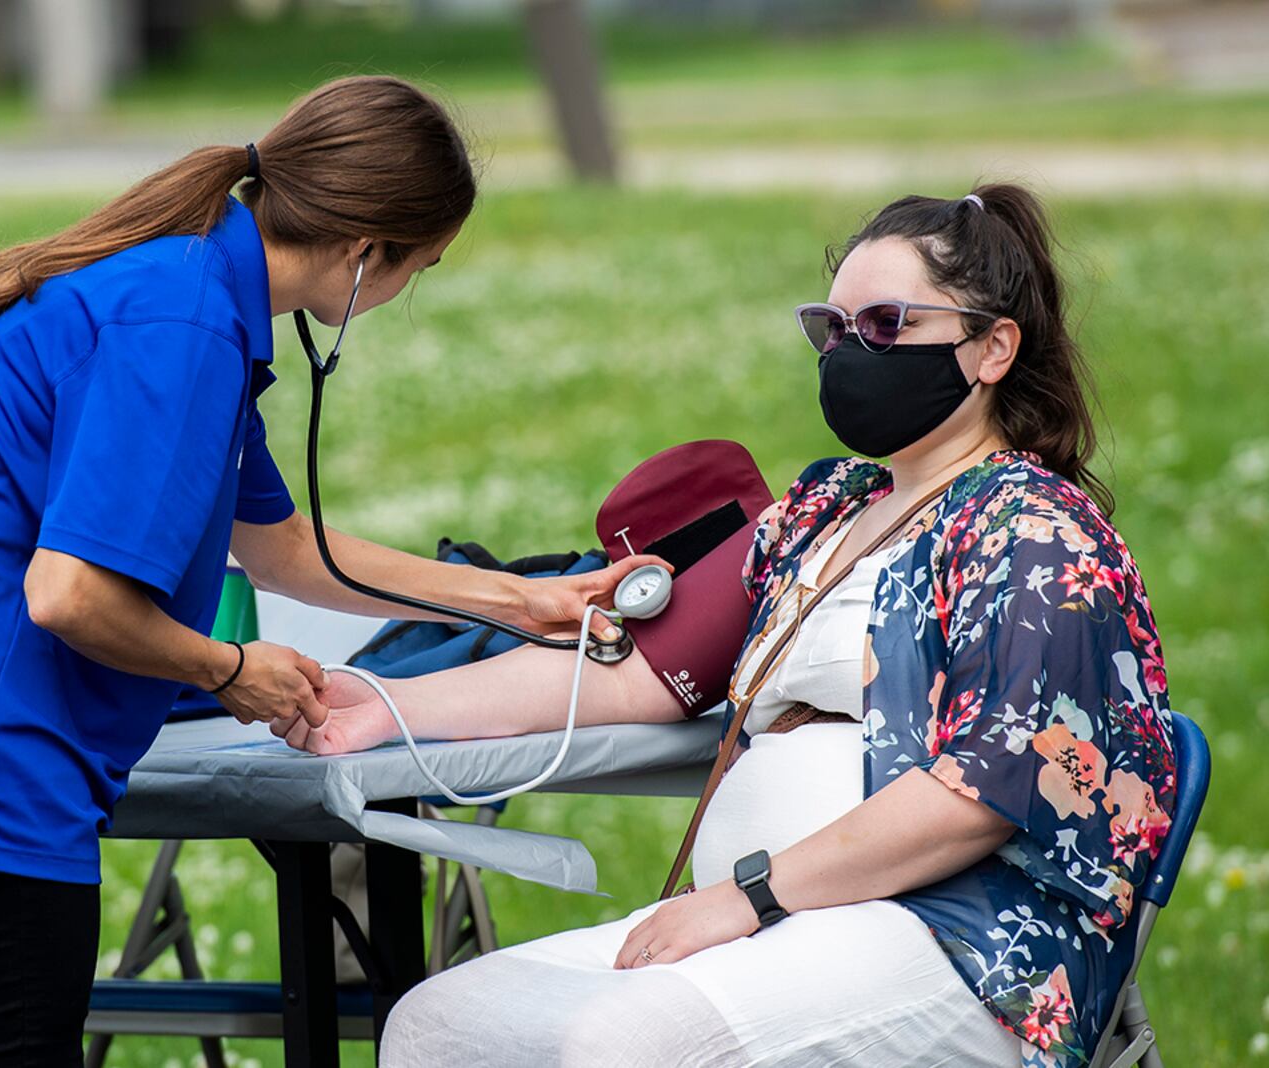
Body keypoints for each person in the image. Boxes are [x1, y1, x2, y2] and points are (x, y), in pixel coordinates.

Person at [0, 75, 664, 1066]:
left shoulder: (194, 290)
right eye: (425, 264)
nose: (414, 287)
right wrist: (227, 669)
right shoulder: (185, 323)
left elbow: (283, 548)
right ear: (367, 253)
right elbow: (70, 594)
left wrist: (523, 599)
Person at [284, 183, 1179, 1067]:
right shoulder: (823, 511)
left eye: (885, 326)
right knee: (440, 1023)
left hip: (965, 941)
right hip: (770, 927)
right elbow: (634, 674)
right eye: (833, 328)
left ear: (992, 350)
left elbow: (983, 793)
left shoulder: (1038, 533)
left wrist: (747, 899)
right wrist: (391, 701)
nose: (849, 352)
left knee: (625, 1041)